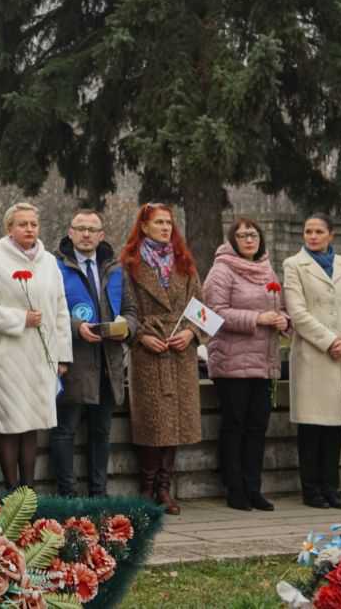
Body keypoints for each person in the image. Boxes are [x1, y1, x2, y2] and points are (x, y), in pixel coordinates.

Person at [0, 203, 71, 492]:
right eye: (22, 224)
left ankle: (29, 491)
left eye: (33, 224)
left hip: (41, 358)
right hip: (9, 358)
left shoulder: (50, 262)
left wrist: (62, 355)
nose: (29, 229)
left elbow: (61, 309)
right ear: (9, 228)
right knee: (10, 425)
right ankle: (11, 491)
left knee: (33, 426)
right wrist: (19, 318)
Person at [119, 203, 204, 516]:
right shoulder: (128, 264)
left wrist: (192, 333)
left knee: (177, 422)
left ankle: (165, 487)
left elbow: (203, 307)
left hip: (180, 351)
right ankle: (147, 485)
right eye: (159, 223)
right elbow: (123, 308)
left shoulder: (185, 263)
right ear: (144, 226)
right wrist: (140, 335)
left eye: (169, 222)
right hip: (148, 351)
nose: (166, 228)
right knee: (152, 422)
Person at [201, 217, 290, 512]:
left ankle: (254, 487)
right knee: (235, 424)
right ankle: (234, 488)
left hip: (263, 362)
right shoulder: (221, 270)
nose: (249, 240)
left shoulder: (267, 267)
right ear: (233, 240)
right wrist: (257, 319)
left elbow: (282, 307)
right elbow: (213, 313)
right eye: (242, 236)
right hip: (231, 360)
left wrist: (282, 320)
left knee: (257, 426)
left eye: (253, 235)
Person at [48, 209, 135, 498]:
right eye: (80, 228)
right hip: (73, 361)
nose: (86, 234)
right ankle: (67, 495)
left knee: (101, 433)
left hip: (108, 364)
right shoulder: (55, 267)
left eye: (92, 229)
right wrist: (76, 327)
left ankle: (99, 493)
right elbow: (50, 311)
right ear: (70, 233)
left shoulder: (115, 268)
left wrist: (127, 328)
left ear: (101, 235)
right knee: (65, 430)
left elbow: (131, 311)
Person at [283, 213, 341, 510]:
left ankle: (332, 488)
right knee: (312, 427)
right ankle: (312, 489)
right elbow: (297, 312)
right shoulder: (294, 265)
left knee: (335, 427)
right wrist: (330, 341)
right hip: (313, 355)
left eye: (319, 231)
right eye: (308, 231)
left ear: (331, 234)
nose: (313, 236)